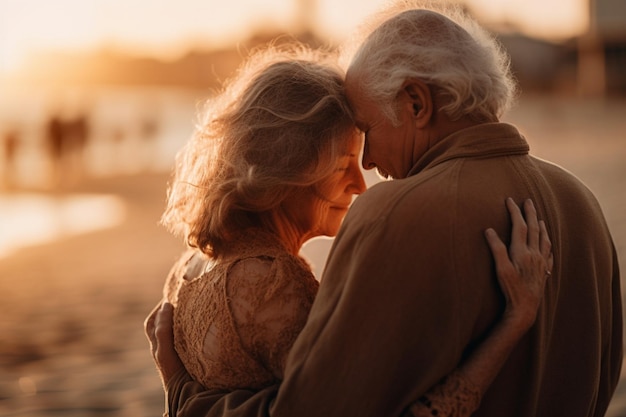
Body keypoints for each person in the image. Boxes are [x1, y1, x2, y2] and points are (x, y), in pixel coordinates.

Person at [147, 4, 622, 417]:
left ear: (416, 102)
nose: (369, 163)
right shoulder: (584, 204)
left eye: (367, 130)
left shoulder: (394, 213)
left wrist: (185, 393)